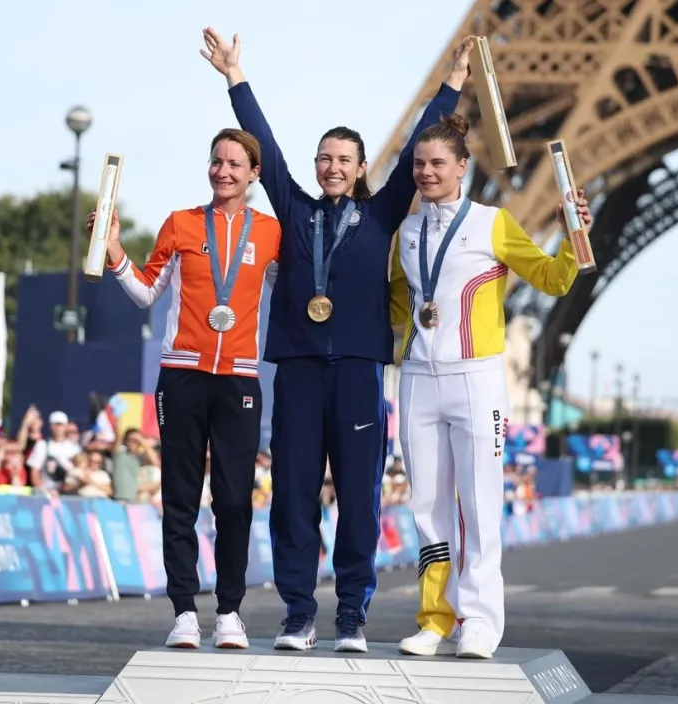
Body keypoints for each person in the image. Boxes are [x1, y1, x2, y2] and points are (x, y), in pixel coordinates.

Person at [200, 27, 473, 653]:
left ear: (359, 170)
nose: (331, 167)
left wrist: (452, 85)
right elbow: (262, 146)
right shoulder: (294, 211)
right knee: (293, 499)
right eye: (324, 158)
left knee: (357, 498)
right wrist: (235, 77)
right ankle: (299, 613)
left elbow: (414, 153)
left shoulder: (380, 216)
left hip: (356, 371)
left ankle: (351, 614)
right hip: (297, 370)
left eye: (344, 160)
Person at [389, 113, 592, 659]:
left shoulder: (493, 222)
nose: (426, 172)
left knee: (479, 503)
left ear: (462, 166)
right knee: (427, 507)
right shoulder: (405, 233)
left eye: (436, 163)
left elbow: (551, 277)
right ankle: (435, 619)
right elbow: (393, 305)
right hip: (417, 379)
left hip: (476, 379)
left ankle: (479, 620)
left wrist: (574, 238)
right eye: (418, 164)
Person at [87, 128, 281, 650]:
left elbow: (292, 296)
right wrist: (112, 250)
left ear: (254, 174)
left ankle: (231, 612)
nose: (223, 170)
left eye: (235, 164)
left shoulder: (269, 232)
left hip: (239, 375)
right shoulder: (181, 223)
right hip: (182, 375)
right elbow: (147, 292)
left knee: (235, 501)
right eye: (217, 161)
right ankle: (183, 612)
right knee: (179, 497)